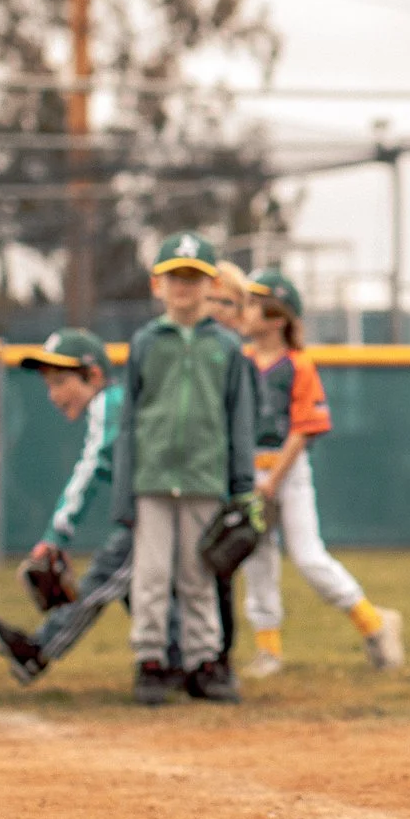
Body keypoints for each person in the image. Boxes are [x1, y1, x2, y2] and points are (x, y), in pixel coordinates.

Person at [0, 327, 184, 685]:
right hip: (164, 506)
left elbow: (88, 472)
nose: (53, 395)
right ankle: (178, 660)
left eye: (60, 381)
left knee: (105, 577)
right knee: (132, 586)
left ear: (94, 375)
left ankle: (38, 652)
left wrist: (56, 534)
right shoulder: (121, 402)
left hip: (155, 510)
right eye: (47, 385)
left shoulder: (109, 402)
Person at [236, 267, 404, 677]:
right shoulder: (238, 362)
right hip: (246, 470)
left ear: (277, 318)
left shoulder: (298, 365)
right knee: (256, 562)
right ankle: (268, 650)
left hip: (287, 470)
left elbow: (304, 429)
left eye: (255, 305)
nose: (246, 311)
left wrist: (273, 480)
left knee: (309, 557)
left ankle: (375, 624)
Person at [115, 232, 258, 706]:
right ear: (158, 284)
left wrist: (240, 487)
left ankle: (204, 661)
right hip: (153, 478)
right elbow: (130, 420)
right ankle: (151, 659)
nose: (184, 287)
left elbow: (239, 419)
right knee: (152, 575)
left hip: (204, 476)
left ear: (210, 283)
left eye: (194, 278)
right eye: (176, 277)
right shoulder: (146, 342)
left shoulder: (226, 347)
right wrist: (124, 490)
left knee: (199, 576)